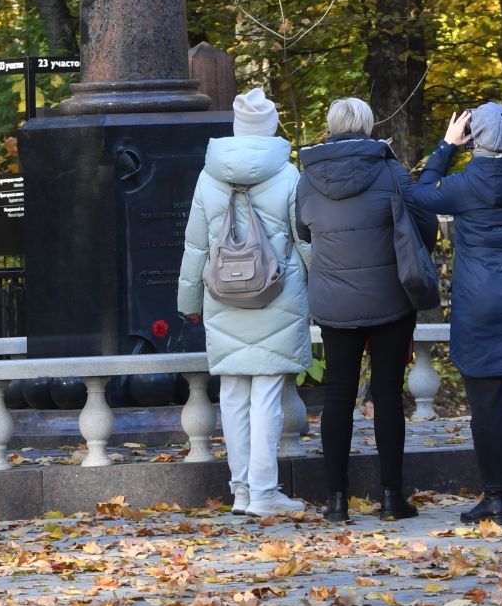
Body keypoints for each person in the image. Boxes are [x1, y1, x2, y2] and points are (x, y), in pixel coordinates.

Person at [409, 101, 502, 524]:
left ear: (474, 141)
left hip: (480, 309)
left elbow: (420, 194)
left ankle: (497, 498)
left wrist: (447, 145)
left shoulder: (462, 185)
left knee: (488, 408)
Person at [296, 96, 437, 522]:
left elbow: (302, 228)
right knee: (388, 394)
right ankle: (391, 497)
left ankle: (336, 500)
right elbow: (422, 220)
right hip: (389, 299)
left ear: (331, 126)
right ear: (368, 124)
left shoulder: (308, 177)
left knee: (338, 394)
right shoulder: (389, 169)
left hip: (334, 301)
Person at [177, 87, 311, 518]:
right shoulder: (288, 175)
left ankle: (240, 491)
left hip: (223, 295)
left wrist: (188, 301)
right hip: (277, 296)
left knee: (233, 393)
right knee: (267, 394)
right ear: (271, 127)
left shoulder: (208, 174)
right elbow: (303, 241)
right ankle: (265, 492)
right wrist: (324, 287)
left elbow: (196, 246)